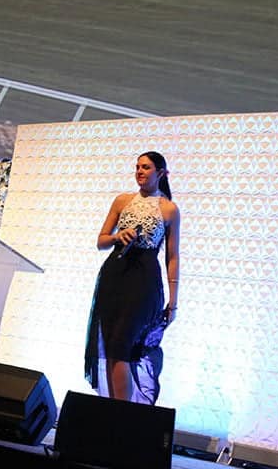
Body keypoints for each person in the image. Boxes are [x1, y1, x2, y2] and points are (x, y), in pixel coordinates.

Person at [84, 151, 180, 405]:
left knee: (122, 345)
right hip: (114, 275)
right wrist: (118, 236)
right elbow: (101, 241)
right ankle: (112, 410)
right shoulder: (122, 200)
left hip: (144, 281)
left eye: (146, 167)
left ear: (161, 173)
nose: (139, 171)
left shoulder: (169, 209)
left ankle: (122, 414)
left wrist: (173, 302)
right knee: (110, 347)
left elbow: (172, 257)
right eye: (137, 167)